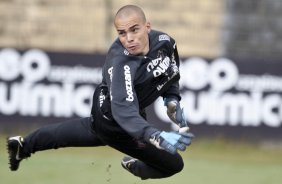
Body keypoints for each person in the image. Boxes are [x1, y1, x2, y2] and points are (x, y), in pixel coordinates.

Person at [7, 5, 194, 180]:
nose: (128, 38)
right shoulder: (121, 64)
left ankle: (23, 146)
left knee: (74, 134)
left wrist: (171, 99)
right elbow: (124, 112)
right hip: (114, 120)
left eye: (134, 30)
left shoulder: (165, 42)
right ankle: (133, 164)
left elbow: (170, 72)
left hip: (114, 108)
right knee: (173, 164)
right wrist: (155, 135)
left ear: (147, 27)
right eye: (122, 33)